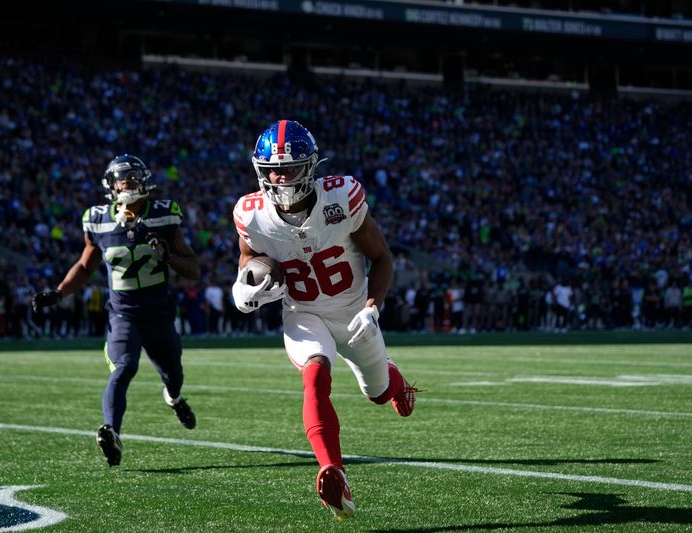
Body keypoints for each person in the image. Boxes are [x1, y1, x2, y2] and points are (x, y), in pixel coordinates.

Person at [231, 120, 419, 521]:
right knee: (315, 374)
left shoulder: (342, 196)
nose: (279, 178)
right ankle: (333, 470)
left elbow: (382, 257)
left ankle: (395, 381)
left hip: (354, 311)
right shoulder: (250, 213)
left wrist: (373, 306)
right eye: (271, 169)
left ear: (311, 166)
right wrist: (245, 284)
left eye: (290, 168)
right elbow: (248, 259)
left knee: (378, 393)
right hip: (304, 312)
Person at [32, 154, 200, 467]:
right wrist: (59, 292)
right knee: (123, 367)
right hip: (123, 313)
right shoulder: (98, 219)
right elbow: (85, 265)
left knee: (173, 375)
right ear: (111, 185)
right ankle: (112, 432)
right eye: (123, 178)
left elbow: (193, 270)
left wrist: (169, 258)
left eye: (135, 176)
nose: (129, 182)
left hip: (160, 314)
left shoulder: (165, 215)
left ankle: (174, 398)